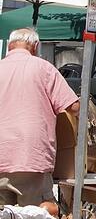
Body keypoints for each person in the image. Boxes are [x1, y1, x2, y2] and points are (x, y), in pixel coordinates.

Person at [0, 28, 79, 205]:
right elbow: (73, 106)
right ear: (35, 46)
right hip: (30, 156)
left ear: (10, 46)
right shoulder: (43, 68)